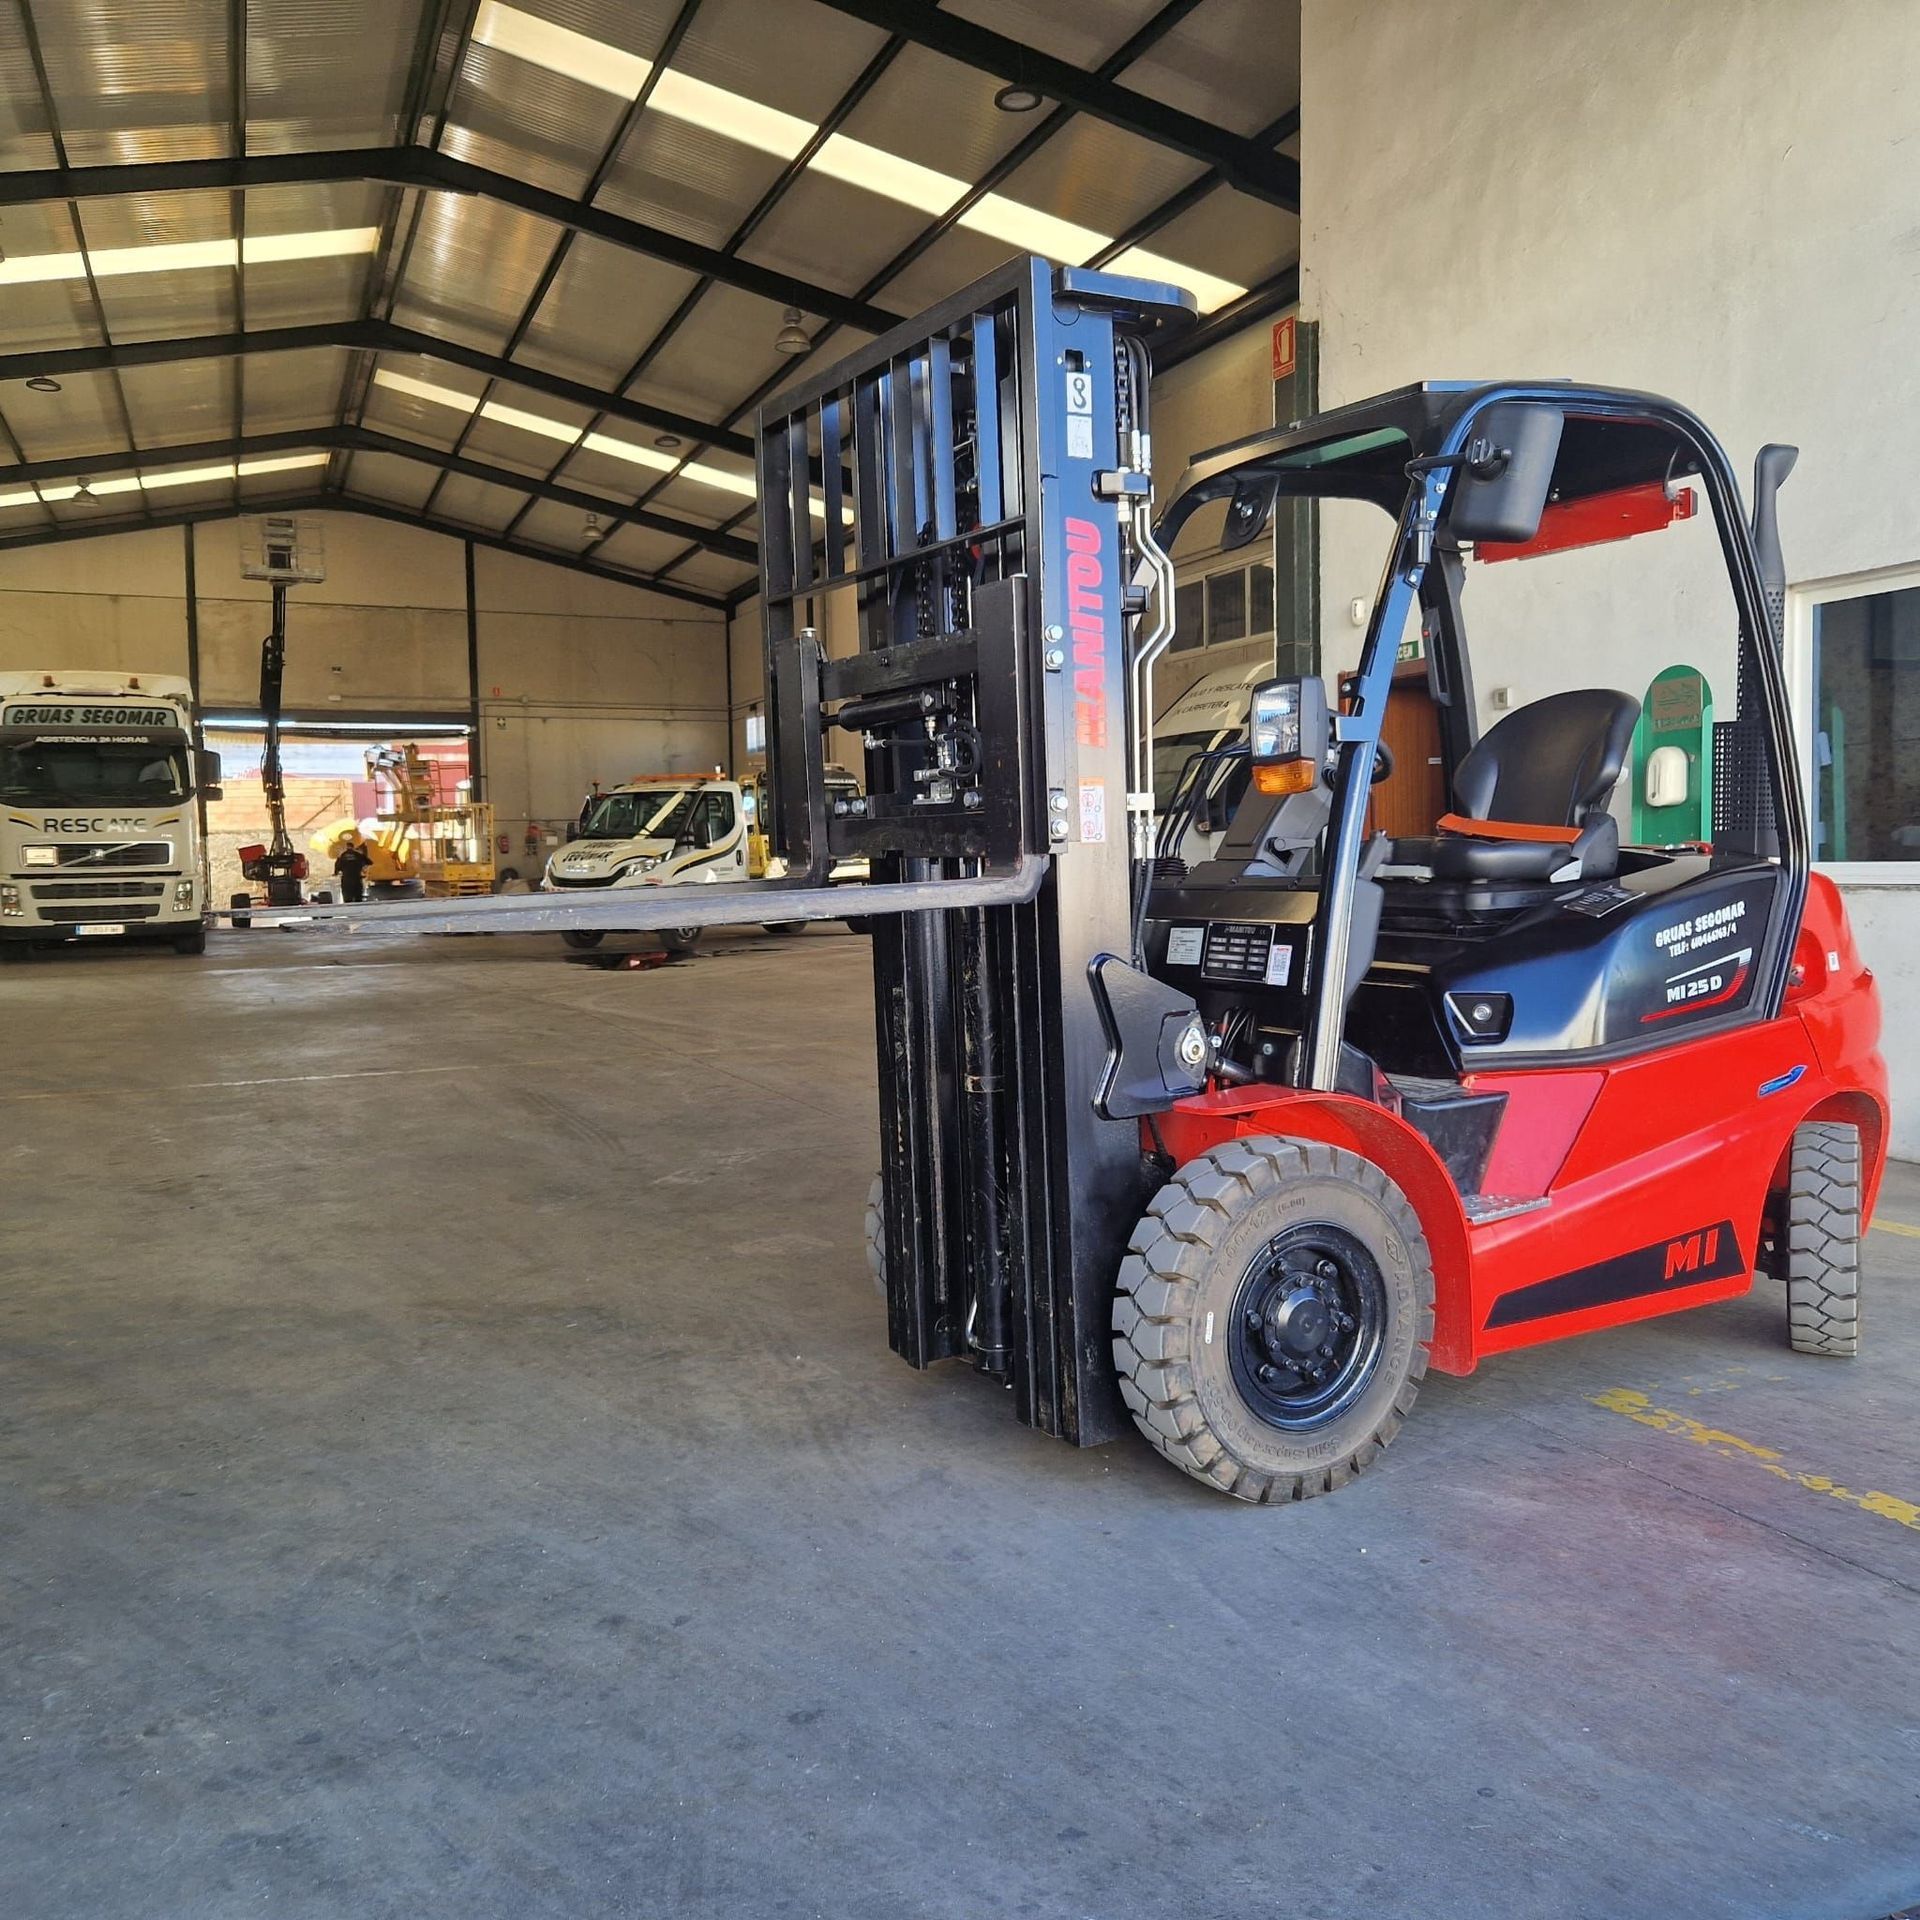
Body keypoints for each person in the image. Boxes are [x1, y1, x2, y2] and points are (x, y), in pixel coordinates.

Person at [333, 831, 374, 905]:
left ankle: (349, 910)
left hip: (346, 880)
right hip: (357, 878)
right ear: (353, 847)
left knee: (347, 899)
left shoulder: (342, 856)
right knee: (358, 898)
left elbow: (337, 867)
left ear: (346, 847)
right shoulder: (358, 855)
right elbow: (370, 862)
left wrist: (336, 872)